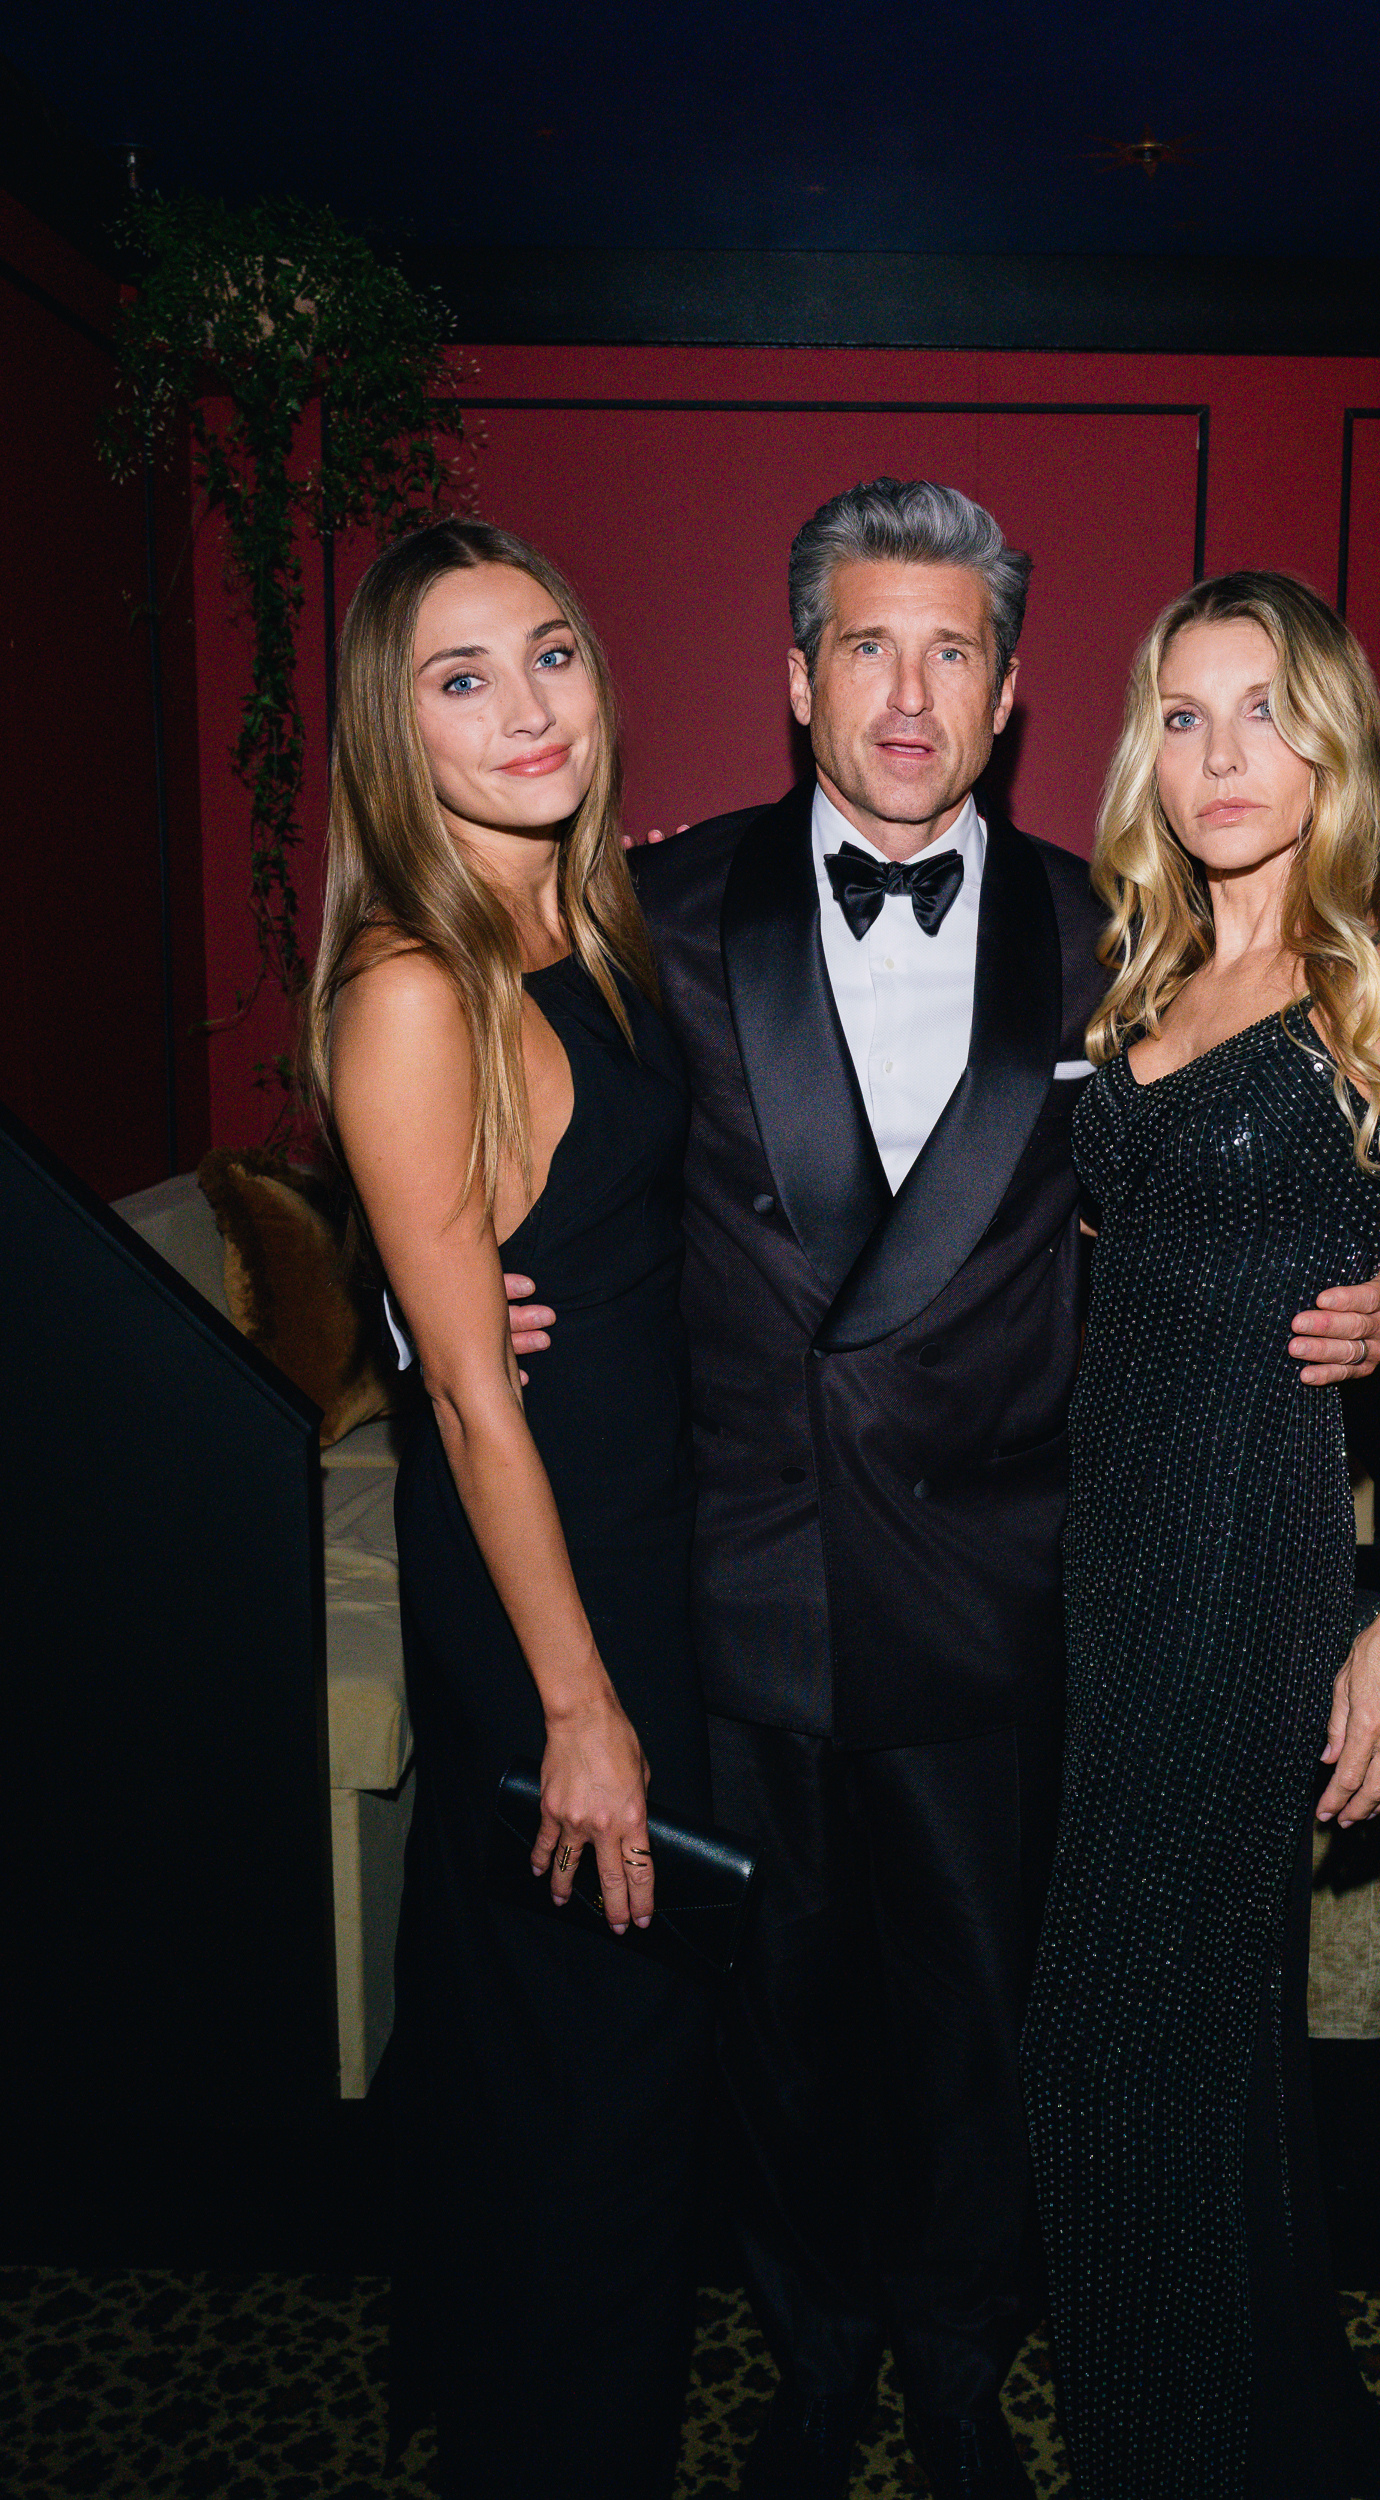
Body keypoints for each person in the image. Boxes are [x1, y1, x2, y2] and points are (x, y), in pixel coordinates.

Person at [506, 483, 1380, 2500]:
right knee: (779, 2031)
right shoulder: (654, 914)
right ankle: (816, 2355)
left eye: (951, 654)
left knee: (981, 2030)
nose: (906, 697)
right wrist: (434, 1320)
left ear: (1008, 694)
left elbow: (1296, 1147)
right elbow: (517, 1167)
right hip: (745, 1582)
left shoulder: (1123, 933)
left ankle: (953, 2353)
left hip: (1012, 1590)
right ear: (793, 674)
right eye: (864, 645)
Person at [1021, 572, 1380, 2500]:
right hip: (1101, 1553)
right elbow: (1108, 1271)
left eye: (1264, 710)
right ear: (1145, 747)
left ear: (1336, 740)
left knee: (1109, 2059)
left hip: (1249, 1562)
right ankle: (1238, 2445)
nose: (1223, 754)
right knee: (1189, 2065)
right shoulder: (1136, 978)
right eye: (1183, 713)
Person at [298, 519, 712, 2500]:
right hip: (558, 1577)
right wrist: (581, 1703)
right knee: (605, 2085)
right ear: (395, 730)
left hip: (626, 1518)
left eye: (549, 653)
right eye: (461, 678)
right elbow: (468, 1390)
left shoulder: (592, 916)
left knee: (546, 2045)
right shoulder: (414, 985)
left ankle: (508, 2404)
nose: (527, 706)